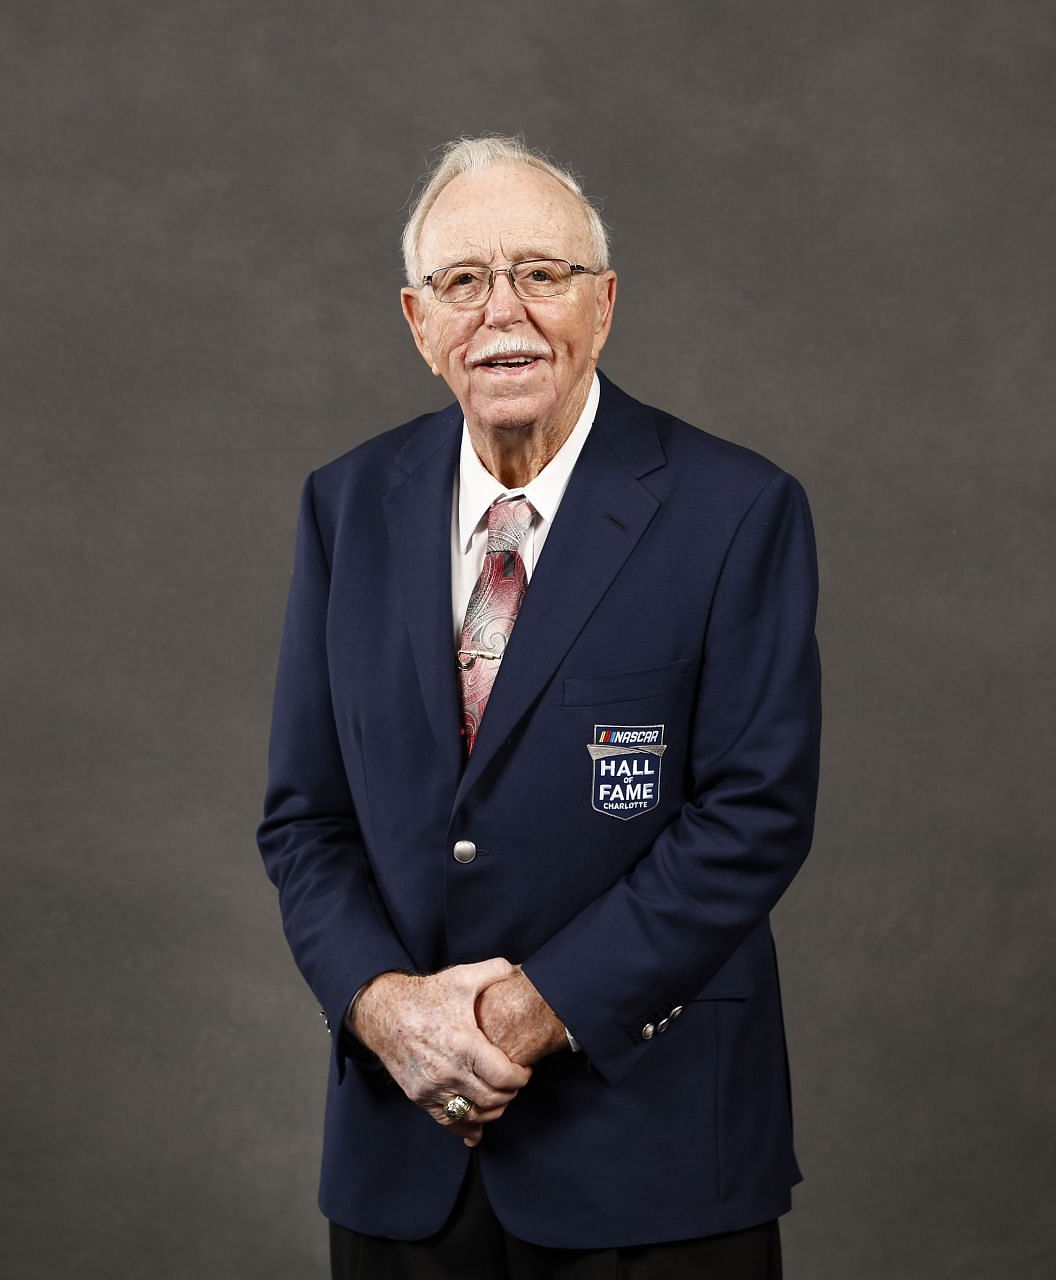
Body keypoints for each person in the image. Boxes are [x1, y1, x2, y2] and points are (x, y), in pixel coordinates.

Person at [259, 134, 821, 1278]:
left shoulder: (735, 508)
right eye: (464, 282)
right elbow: (304, 818)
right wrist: (387, 1012)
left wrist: (532, 1009)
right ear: (418, 323)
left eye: (541, 274)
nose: (501, 312)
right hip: (401, 1157)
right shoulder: (348, 505)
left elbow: (753, 813)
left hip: (651, 1158)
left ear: (604, 303)